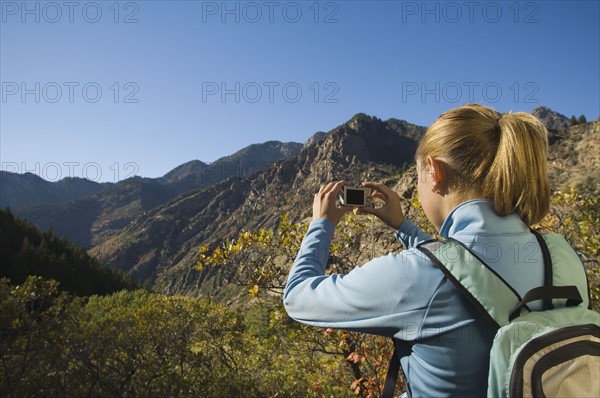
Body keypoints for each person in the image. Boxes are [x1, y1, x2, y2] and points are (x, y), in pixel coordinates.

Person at [283, 103, 553, 397]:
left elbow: (298, 296)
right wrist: (401, 225)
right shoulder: (559, 257)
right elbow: (462, 269)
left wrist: (321, 224)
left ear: (435, 172)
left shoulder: (412, 277)